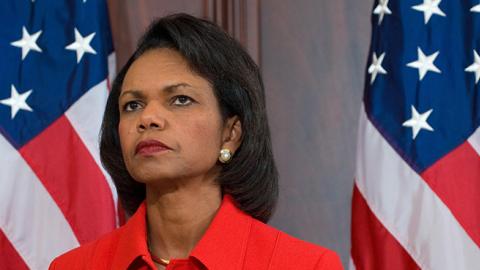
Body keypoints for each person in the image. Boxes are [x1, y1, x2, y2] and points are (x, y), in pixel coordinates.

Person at [49, 13, 343, 270]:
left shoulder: (307, 265)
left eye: (180, 100)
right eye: (132, 105)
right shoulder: (73, 267)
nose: (148, 118)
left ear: (231, 133)